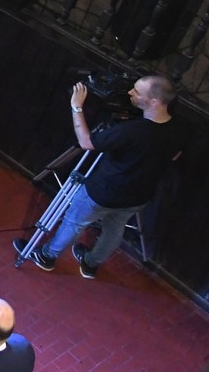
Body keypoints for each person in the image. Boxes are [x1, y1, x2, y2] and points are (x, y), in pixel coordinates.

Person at [19, 76, 188, 278]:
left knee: (74, 223)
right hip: (138, 196)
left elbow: (87, 142)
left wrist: (76, 106)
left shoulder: (133, 131)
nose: (130, 93)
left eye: (136, 92)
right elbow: (175, 156)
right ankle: (90, 264)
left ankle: (47, 256)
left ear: (154, 102)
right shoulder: (178, 129)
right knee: (114, 231)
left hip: (104, 191)